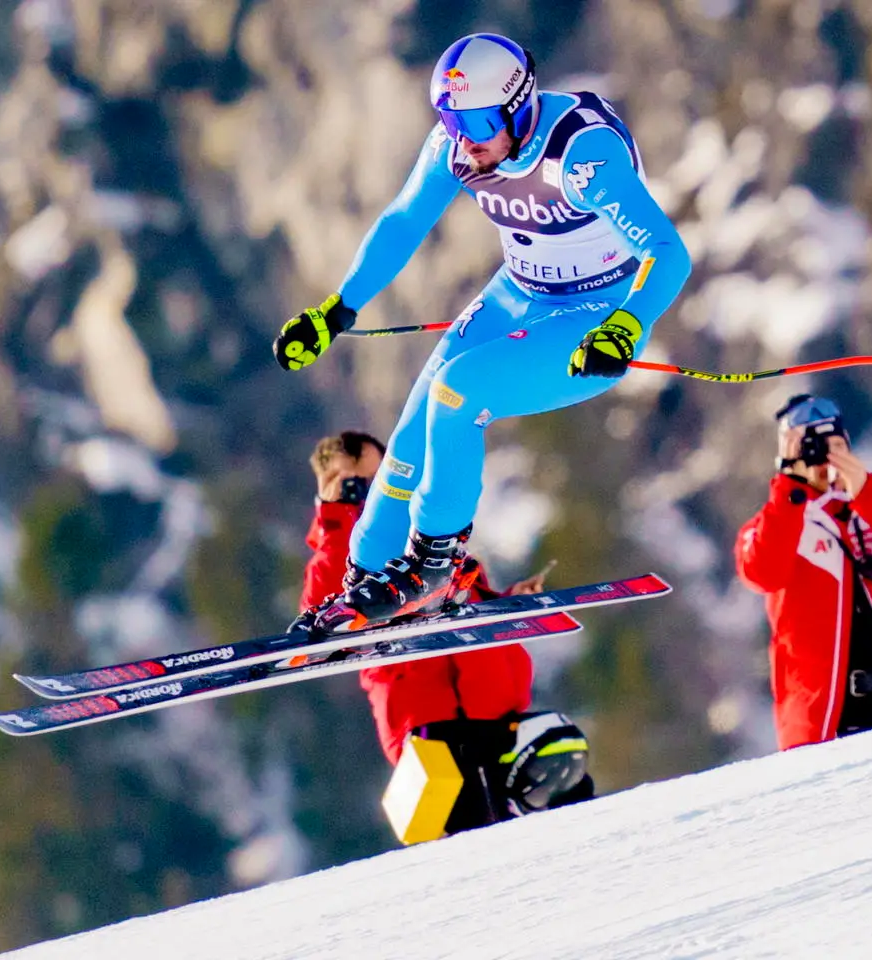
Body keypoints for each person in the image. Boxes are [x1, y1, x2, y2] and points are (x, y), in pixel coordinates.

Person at [274, 32, 692, 634]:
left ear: (519, 110)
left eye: (475, 119)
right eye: (448, 116)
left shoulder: (581, 155)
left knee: (459, 390)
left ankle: (434, 568)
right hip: (516, 293)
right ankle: (362, 588)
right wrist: (337, 310)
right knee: (406, 452)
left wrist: (626, 325)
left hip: (593, 318)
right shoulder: (457, 146)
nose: (461, 134)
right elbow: (403, 219)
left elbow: (667, 251)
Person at [301, 431, 593, 834]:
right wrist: (336, 518)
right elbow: (323, 614)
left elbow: (463, 599)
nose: (369, 494)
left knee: (564, 762)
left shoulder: (429, 536)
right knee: (479, 829)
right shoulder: (341, 552)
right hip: (431, 721)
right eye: (355, 484)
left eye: (378, 480)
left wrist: (507, 601)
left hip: (497, 705)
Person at [734, 396, 872, 750]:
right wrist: (790, 488)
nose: (825, 459)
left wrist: (869, 492)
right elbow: (762, 572)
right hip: (829, 721)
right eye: (811, 448)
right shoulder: (776, 524)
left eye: (834, 446)